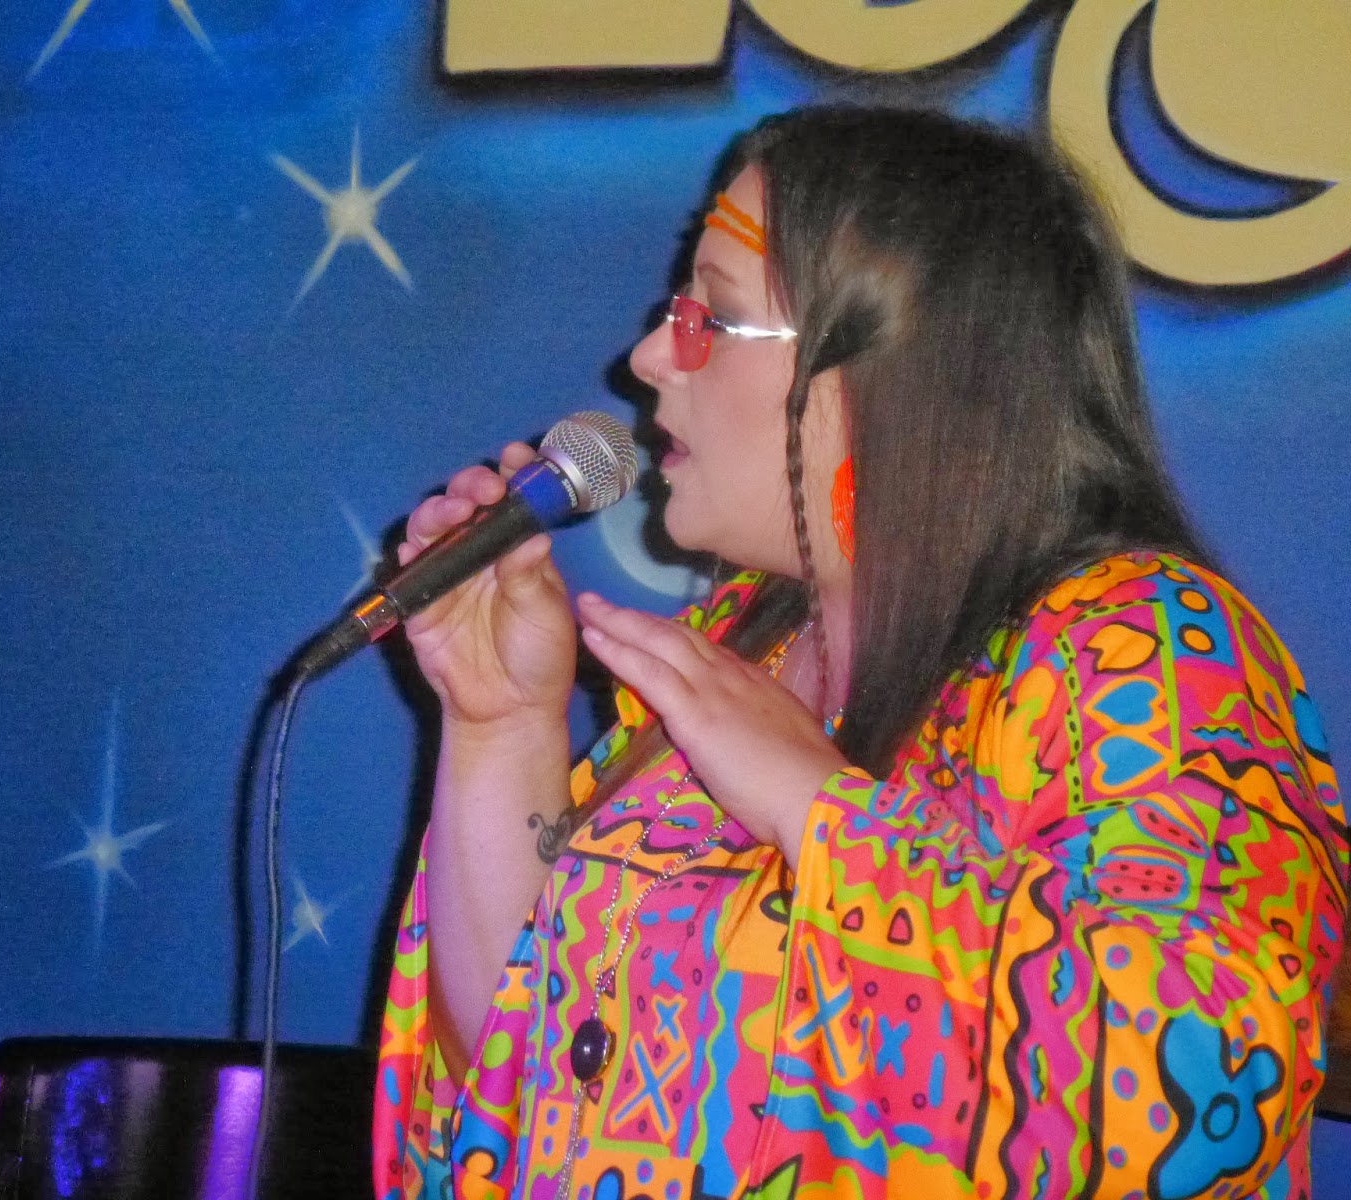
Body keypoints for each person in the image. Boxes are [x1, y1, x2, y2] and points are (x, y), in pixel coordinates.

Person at [370, 107, 1347, 1200]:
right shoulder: (747, 639)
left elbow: (1190, 1096)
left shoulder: (1143, 653)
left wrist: (818, 806)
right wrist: (500, 722)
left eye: (709, 315)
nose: (646, 355)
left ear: (890, 369)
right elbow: (523, 1064)